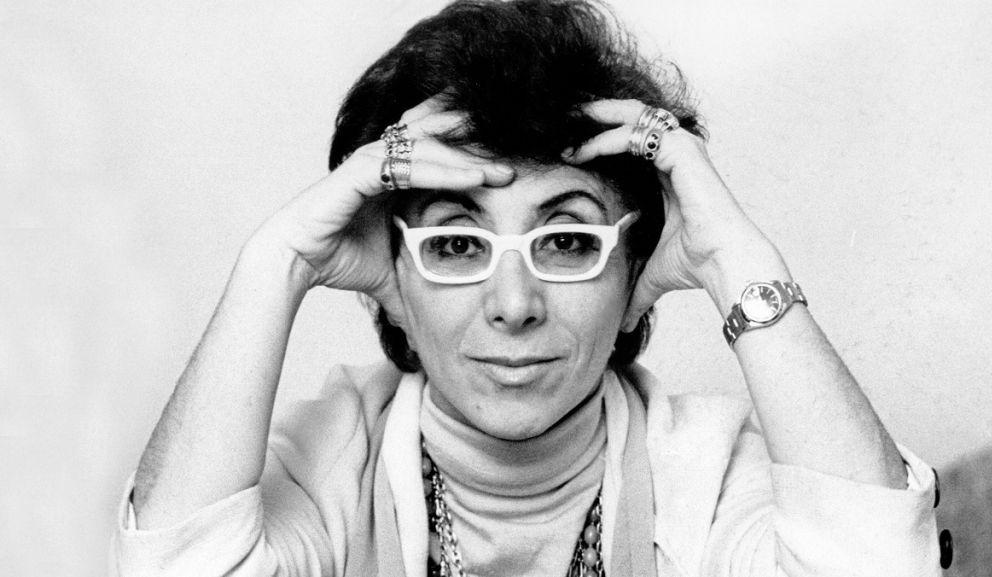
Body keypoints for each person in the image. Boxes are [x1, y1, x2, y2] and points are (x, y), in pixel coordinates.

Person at [110, 0, 945, 575]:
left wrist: (735, 260)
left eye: (569, 240)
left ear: (635, 274)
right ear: (392, 280)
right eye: (455, 242)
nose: (514, 304)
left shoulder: (708, 469)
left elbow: (877, 565)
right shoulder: (324, 465)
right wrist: (277, 260)